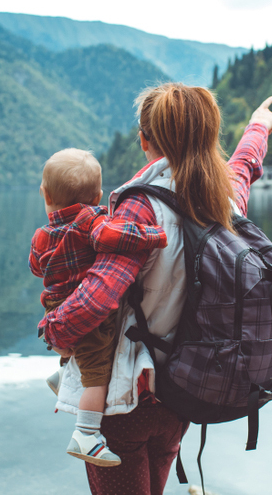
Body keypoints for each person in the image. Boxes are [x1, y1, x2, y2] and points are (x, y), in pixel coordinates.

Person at [40, 83, 272, 495]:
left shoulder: (140, 208)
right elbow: (243, 167)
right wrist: (259, 127)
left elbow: (97, 299)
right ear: (208, 136)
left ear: (145, 139)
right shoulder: (221, 198)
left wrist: (53, 329)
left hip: (127, 399)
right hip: (182, 392)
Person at [29, 148, 169, 467]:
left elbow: (37, 268)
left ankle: (62, 376)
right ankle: (87, 434)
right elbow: (113, 235)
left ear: (45, 194)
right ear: (98, 195)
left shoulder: (42, 236)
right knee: (98, 376)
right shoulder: (90, 219)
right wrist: (154, 235)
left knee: (84, 352)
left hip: (54, 305)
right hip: (84, 307)